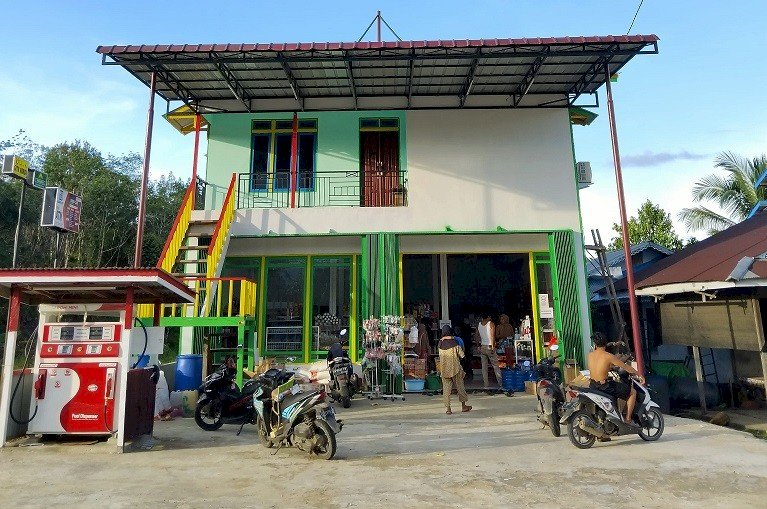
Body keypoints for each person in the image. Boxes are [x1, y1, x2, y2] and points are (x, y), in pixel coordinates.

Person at [588, 332, 645, 424]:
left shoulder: (590, 355)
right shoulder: (608, 356)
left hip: (592, 385)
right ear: (605, 343)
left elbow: (600, 367)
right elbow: (626, 367)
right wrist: (639, 375)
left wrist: (609, 367)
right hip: (604, 387)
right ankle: (628, 420)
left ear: (595, 344)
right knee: (632, 392)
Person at [438, 325, 471, 415]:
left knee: (446, 390)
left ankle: (448, 409)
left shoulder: (440, 344)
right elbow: (462, 355)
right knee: (460, 387)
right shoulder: (454, 343)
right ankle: (463, 406)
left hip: (444, 369)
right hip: (455, 368)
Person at [478, 313, 503, 390]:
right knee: (495, 366)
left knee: (484, 367)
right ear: (489, 316)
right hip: (489, 346)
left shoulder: (479, 324)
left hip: (482, 347)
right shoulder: (491, 324)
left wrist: (478, 345)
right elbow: (492, 336)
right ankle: (501, 384)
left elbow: (476, 336)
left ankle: (486, 384)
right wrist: (493, 346)